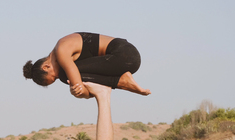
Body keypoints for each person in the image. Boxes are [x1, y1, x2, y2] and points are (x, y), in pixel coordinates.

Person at [22, 32, 151, 98]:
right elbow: (87, 91)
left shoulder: (61, 51)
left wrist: (76, 91)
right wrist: (80, 92)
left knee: (64, 76)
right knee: (68, 76)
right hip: (127, 58)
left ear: (46, 67)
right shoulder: (61, 48)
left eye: (53, 77)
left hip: (124, 56)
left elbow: (80, 87)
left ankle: (120, 81)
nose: (57, 78)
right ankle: (120, 81)